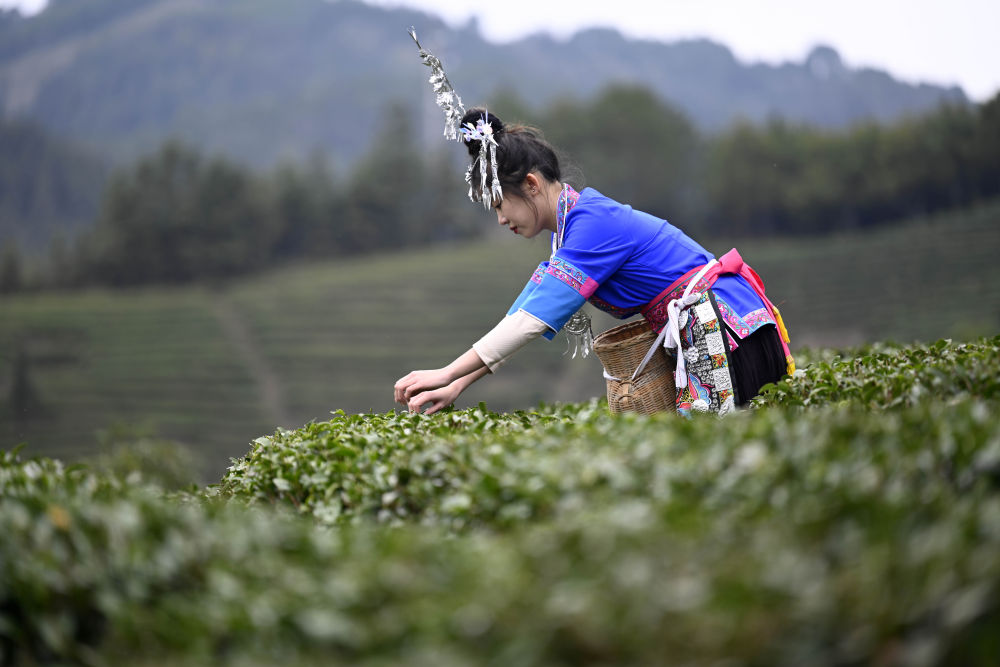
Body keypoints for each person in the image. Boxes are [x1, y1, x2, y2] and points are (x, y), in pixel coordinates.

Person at [394, 108, 793, 416]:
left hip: (723, 326)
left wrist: (446, 372)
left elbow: (532, 322)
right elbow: (522, 315)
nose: (500, 219)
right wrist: (456, 384)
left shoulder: (592, 226)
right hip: (713, 326)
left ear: (531, 184)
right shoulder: (569, 235)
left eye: (500, 205)